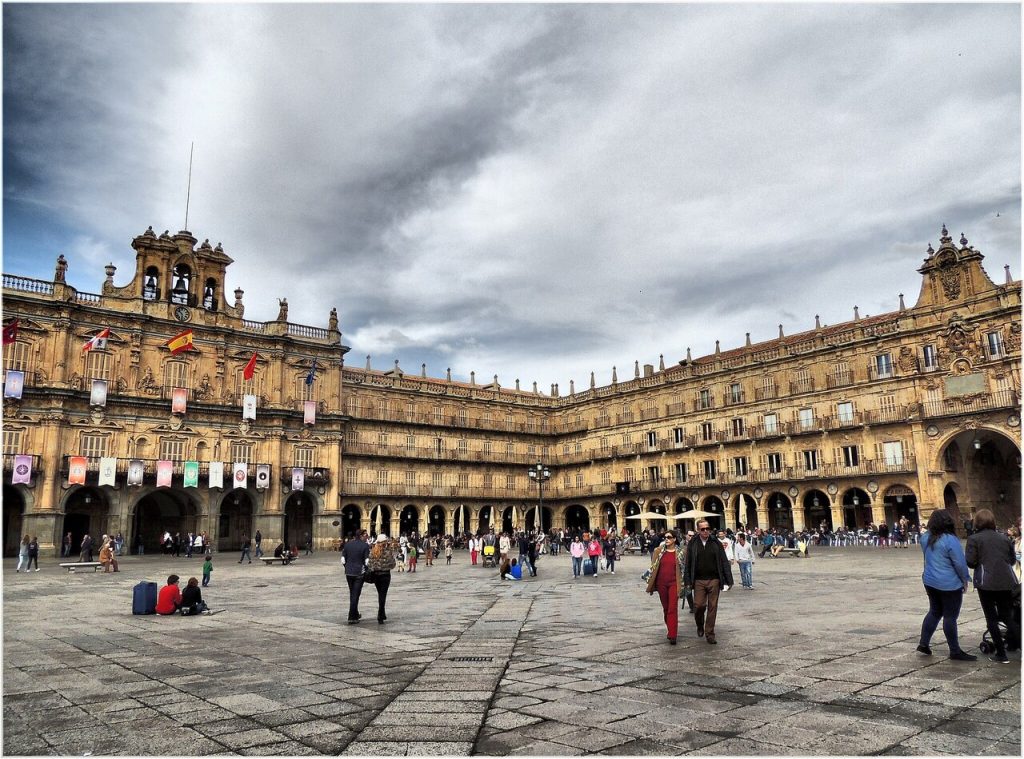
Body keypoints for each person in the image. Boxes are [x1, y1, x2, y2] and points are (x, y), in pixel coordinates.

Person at [918, 509, 975, 661]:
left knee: (934, 612)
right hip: (949, 583)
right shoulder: (950, 540)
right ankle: (955, 650)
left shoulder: (925, 538)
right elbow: (959, 563)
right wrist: (965, 578)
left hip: (930, 581)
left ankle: (923, 643)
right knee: (950, 616)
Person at [965, 509, 1019, 663]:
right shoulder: (1004, 538)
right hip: (1007, 582)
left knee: (991, 618)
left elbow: (971, 561)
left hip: (986, 583)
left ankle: (1001, 654)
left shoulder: (974, 539)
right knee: (1008, 617)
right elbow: (1012, 559)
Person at [683, 519, 734, 645]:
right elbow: (688, 563)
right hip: (699, 580)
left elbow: (723, 560)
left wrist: (729, 579)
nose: (706, 531)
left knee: (713, 607)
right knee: (699, 606)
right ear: (698, 530)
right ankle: (700, 625)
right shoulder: (693, 543)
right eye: (703, 529)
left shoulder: (715, 542)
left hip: (714, 579)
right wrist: (688, 581)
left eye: (708, 528)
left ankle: (709, 633)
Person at [646, 531, 685, 644]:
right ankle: (670, 629)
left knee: (672, 608)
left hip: (674, 583)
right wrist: (651, 583)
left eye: (669, 537)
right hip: (661, 584)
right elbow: (653, 568)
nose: (666, 539)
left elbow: (684, 569)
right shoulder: (658, 551)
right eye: (665, 537)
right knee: (666, 608)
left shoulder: (681, 553)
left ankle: (673, 635)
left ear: (674, 539)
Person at [341, 530, 370, 623]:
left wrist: (347, 567)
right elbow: (367, 561)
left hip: (348, 573)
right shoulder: (365, 545)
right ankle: (351, 617)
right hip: (359, 573)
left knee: (352, 593)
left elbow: (343, 559)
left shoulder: (348, 544)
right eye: (366, 535)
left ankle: (355, 613)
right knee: (356, 594)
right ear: (361, 536)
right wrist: (365, 569)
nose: (367, 537)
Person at [367, 534, 397, 623]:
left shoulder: (373, 551)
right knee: (383, 595)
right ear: (384, 542)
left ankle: (381, 614)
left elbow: (369, 564)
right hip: (385, 575)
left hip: (376, 575)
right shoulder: (388, 551)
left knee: (380, 594)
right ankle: (381, 615)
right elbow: (393, 564)